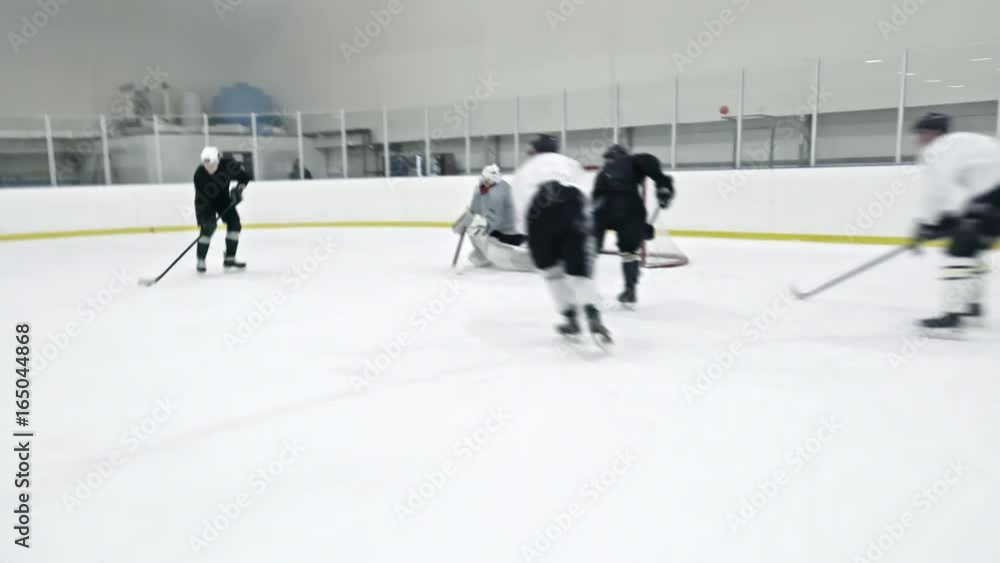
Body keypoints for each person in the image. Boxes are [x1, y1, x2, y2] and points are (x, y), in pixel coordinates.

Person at [512, 134, 611, 343]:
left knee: (552, 273)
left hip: (538, 211)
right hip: (571, 205)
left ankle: (570, 317)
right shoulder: (570, 163)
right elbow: (586, 192)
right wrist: (585, 222)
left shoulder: (526, 169)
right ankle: (592, 312)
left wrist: (530, 235)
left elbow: (521, 202)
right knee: (579, 271)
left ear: (536, 150)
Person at [910, 112, 1000, 331]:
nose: (918, 140)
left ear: (933, 133)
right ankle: (971, 304)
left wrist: (928, 225)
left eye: (921, 134)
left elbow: (937, 191)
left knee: (960, 250)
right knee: (972, 247)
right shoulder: (962, 143)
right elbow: (961, 192)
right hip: (991, 195)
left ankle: (952, 316)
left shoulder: (940, 148)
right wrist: (946, 220)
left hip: (994, 194)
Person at [592, 145, 675, 307]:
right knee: (629, 251)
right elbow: (650, 163)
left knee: (590, 250)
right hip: (629, 208)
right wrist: (663, 185)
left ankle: (585, 290)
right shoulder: (633, 161)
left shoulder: (603, 173)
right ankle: (630, 290)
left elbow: (595, 203)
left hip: (605, 209)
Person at [452, 164, 533, 271]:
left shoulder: (497, 193)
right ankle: (483, 253)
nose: (483, 182)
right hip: (508, 229)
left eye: (486, 180)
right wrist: (468, 219)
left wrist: (472, 224)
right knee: (476, 228)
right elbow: (475, 209)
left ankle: (525, 254)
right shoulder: (485, 188)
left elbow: (494, 221)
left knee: (476, 230)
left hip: (509, 232)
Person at [193, 147, 251, 273]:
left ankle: (230, 258)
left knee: (235, 224)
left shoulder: (228, 166)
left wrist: (238, 190)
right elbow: (203, 200)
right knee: (207, 229)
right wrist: (207, 220)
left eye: (212, 165)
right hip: (205, 202)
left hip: (223, 200)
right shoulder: (199, 174)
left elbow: (245, 177)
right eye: (206, 165)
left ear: (218, 160)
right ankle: (200, 259)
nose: (209, 168)